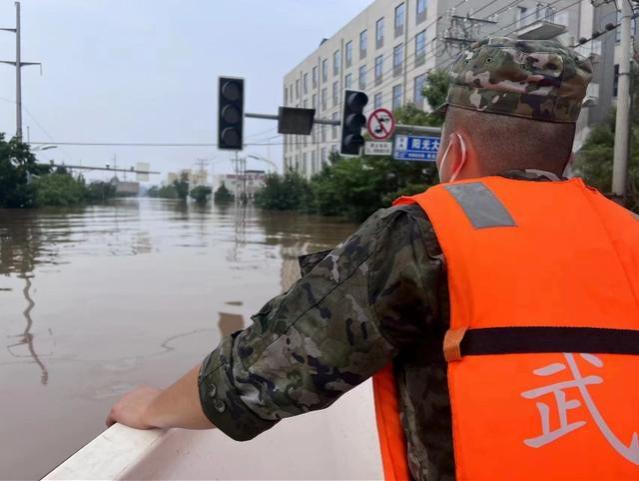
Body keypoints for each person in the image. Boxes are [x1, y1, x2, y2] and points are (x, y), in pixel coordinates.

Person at [108, 38, 639, 481]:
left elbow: (259, 373)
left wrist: (151, 408)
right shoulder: (628, 231)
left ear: (454, 152)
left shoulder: (425, 233)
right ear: (566, 157)